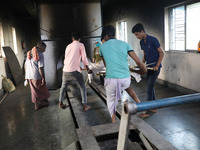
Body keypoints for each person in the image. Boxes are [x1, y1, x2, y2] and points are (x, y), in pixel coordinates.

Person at [99, 25, 147, 123]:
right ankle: (140, 104)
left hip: (111, 80)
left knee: (110, 100)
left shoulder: (102, 47)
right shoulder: (125, 44)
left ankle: (114, 121)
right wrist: (144, 71)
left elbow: (106, 65)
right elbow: (138, 61)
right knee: (127, 87)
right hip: (125, 79)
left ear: (106, 36)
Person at [132, 23, 164, 118]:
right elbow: (145, 55)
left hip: (155, 68)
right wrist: (141, 65)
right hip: (148, 67)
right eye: (135, 35)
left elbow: (161, 54)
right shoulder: (142, 42)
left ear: (142, 31)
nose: (137, 36)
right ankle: (154, 107)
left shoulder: (153, 40)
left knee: (149, 88)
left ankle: (146, 112)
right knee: (151, 87)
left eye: (137, 34)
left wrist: (157, 66)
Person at [58, 32, 91, 111]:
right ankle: (85, 105)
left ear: (72, 39)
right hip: (75, 71)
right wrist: (87, 69)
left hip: (66, 70)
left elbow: (67, 58)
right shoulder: (80, 45)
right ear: (79, 39)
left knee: (63, 87)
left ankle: (60, 103)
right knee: (82, 87)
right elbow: (84, 58)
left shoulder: (68, 46)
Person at [25, 41, 50, 110]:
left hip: (29, 75)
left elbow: (25, 65)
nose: (45, 50)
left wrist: (26, 77)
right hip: (36, 76)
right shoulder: (40, 54)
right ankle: (38, 104)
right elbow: (40, 68)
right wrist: (43, 78)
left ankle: (42, 101)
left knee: (34, 90)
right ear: (41, 48)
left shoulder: (29, 52)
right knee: (42, 87)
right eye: (44, 48)